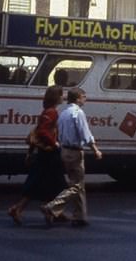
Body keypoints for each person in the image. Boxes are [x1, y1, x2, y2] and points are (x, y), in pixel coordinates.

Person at [41, 87, 102, 227]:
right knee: (76, 185)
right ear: (78, 97)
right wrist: (96, 150)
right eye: (84, 97)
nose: (86, 99)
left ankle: (79, 216)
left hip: (64, 150)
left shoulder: (63, 113)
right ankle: (52, 206)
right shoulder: (78, 113)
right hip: (75, 152)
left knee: (78, 184)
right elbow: (85, 134)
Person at [7, 85, 68, 225]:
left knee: (41, 183)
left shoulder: (47, 111)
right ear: (56, 97)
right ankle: (53, 211)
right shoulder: (52, 112)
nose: (63, 97)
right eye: (61, 94)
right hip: (49, 154)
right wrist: (55, 143)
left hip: (44, 153)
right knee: (57, 183)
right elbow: (42, 131)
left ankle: (21, 209)